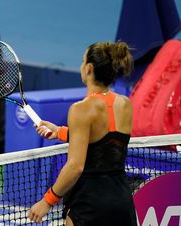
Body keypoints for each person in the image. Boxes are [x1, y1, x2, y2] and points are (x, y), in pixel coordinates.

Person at [28, 41, 137, 226]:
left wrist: (47, 201)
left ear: (88, 68)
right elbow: (103, 141)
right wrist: (60, 132)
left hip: (90, 202)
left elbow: (75, 167)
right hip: (122, 201)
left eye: (82, 61)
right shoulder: (125, 104)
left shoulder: (80, 109)